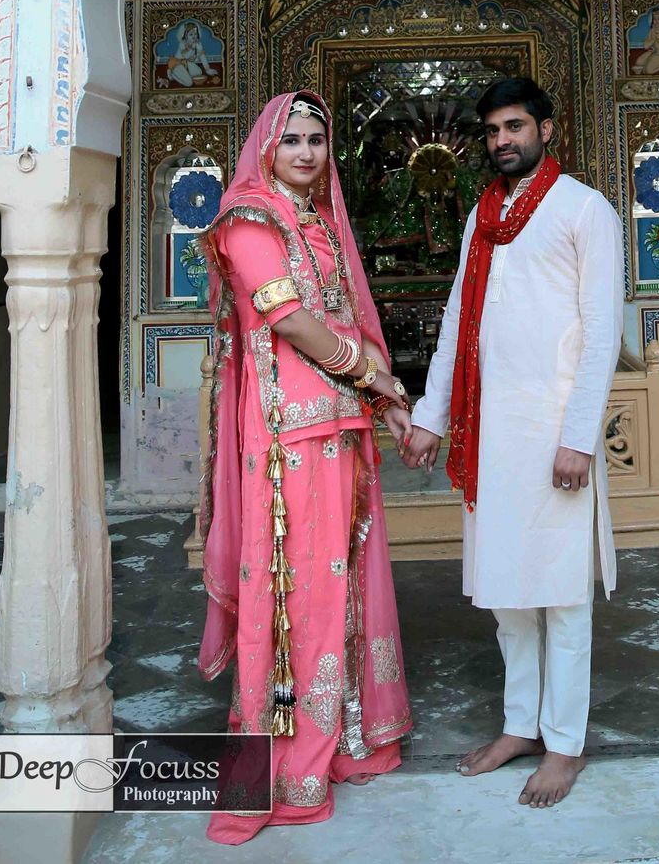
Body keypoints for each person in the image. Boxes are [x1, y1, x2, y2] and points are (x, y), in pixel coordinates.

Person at [198, 91, 413, 842]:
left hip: (340, 424)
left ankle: (346, 737)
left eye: (317, 138)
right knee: (298, 595)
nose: (306, 150)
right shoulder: (250, 219)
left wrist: (379, 395)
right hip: (290, 436)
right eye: (291, 138)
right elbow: (287, 317)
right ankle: (282, 770)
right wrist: (374, 375)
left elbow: (348, 312)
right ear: (266, 144)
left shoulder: (320, 221)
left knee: (343, 583)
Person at [404, 76, 623, 808]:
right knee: (507, 594)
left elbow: (601, 336)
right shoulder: (481, 216)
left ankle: (565, 742)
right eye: (493, 128)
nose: (503, 139)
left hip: (554, 432)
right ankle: (520, 725)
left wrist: (579, 437)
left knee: (561, 594)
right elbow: (457, 322)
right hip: (492, 432)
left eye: (515, 126)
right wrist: (432, 414)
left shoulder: (585, 210)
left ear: (547, 129)